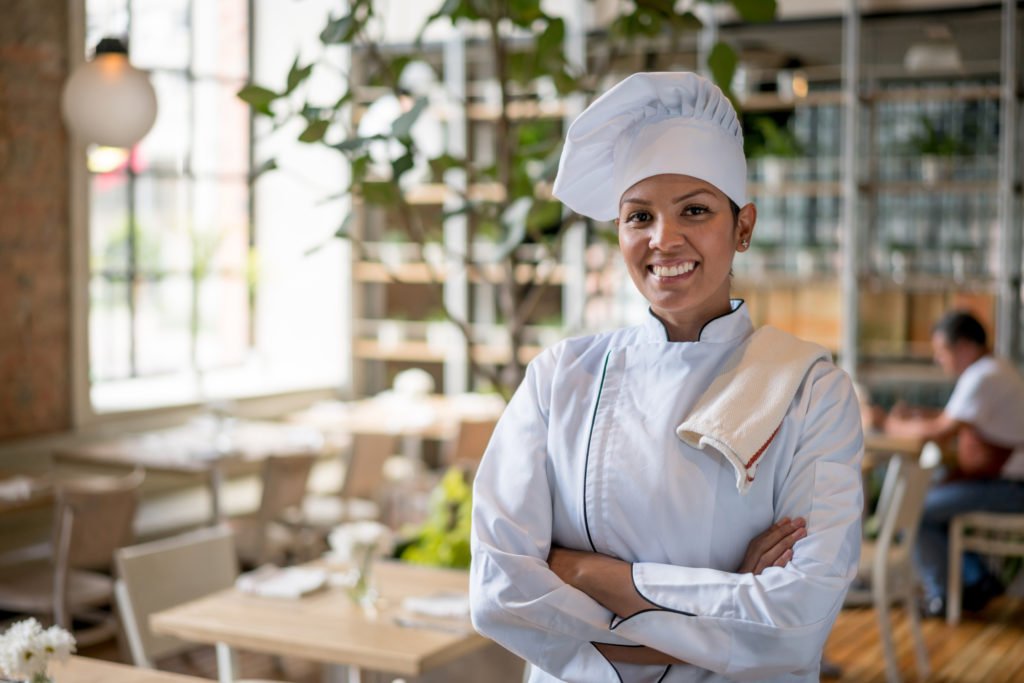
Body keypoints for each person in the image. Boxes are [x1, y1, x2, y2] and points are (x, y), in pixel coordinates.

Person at [469, 72, 865, 682]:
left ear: (743, 227)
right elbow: (499, 593)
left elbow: (798, 621)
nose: (663, 239)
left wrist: (591, 576)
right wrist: (731, 598)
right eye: (639, 216)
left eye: (695, 211)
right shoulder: (558, 379)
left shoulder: (812, 390)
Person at [884, 310, 1024, 618]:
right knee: (930, 500)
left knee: (914, 508)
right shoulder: (994, 369)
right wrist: (915, 415)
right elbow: (948, 420)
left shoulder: (984, 375)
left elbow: (938, 432)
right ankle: (975, 580)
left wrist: (886, 422)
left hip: (1011, 488)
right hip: (1002, 483)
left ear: (964, 348)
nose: (939, 360)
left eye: (941, 352)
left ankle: (943, 597)